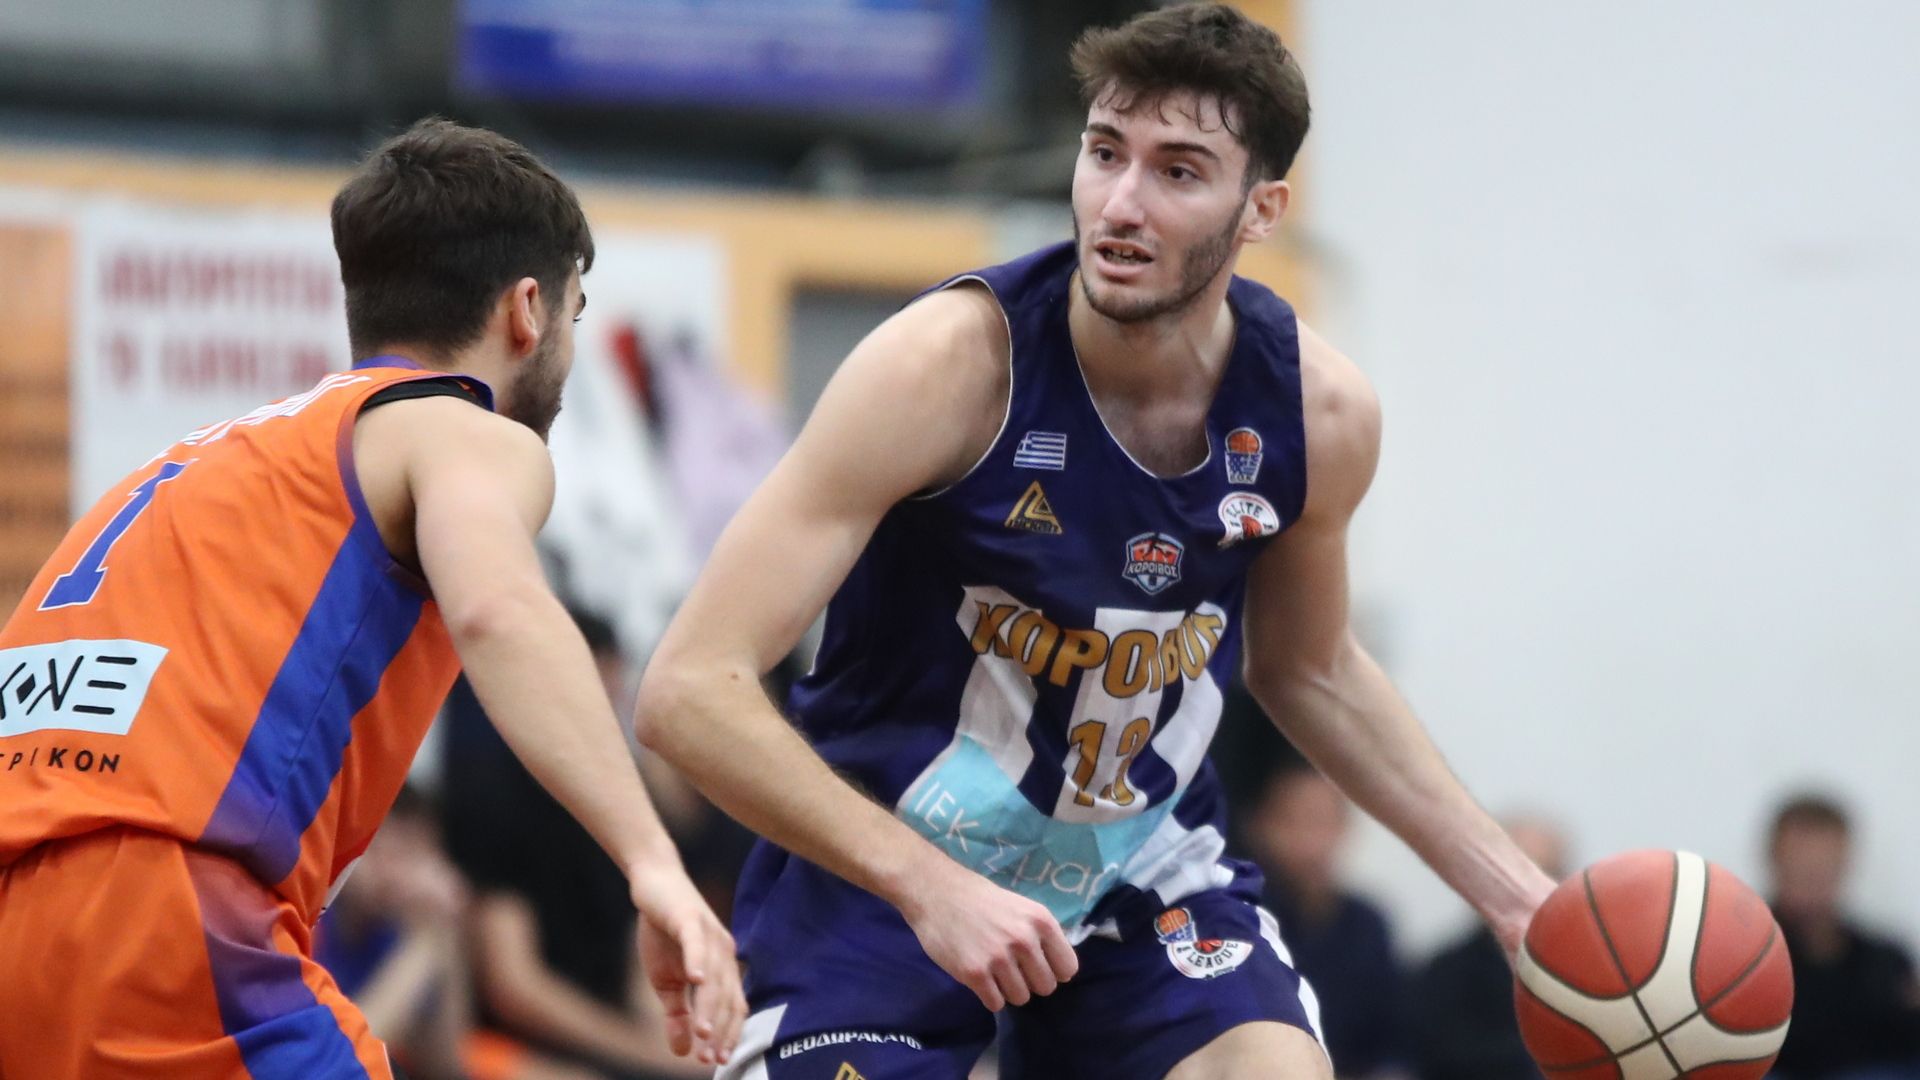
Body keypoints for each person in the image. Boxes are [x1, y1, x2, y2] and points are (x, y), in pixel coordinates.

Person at [634, 5, 1554, 1078]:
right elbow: (686, 689)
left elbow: (1311, 670)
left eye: (1178, 171)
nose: (1121, 203)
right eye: (1106, 152)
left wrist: (1515, 897)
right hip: (884, 872)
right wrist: (928, 886)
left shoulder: (1318, 413)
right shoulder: (944, 368)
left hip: (1132, 868)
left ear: (1261, 209)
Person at [0, 117, 741, 1079]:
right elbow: (500, 612)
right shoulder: (460, 428)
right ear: (528, 310)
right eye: (576, 311)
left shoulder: (202, 460)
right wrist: (654, 867)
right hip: (164, 909)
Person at [441, 607, 720, 1079]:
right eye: (598, 680)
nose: (613, 699)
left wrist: (676, 1043)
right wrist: (643, 1054)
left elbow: (638, 971)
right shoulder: (493, 793)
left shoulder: (627, 800)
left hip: (609, 1037)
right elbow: (513, 987)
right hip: (513, 1048)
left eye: (615, 681)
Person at [1245, 767, 1410, 1079]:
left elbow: (1394, 1036)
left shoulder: (1369, 924)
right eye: (1293, 821)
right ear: (1261, 827)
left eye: (1321, 822)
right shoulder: (1241, 920)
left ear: (1345, 829)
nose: (1309, 841)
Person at [1766, 794, 1920, 1080]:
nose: (1813, 881)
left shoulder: (1886, 961)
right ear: (1776, 860)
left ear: (1845, 864)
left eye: (1824, 868)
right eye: (1802, 867)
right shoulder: (1739, 961)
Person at [1410, 816, 1569, 1080]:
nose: (1524, 893)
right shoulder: (1442, 974)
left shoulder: (1592, 973)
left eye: (1543, 874)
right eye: (1513, 877)